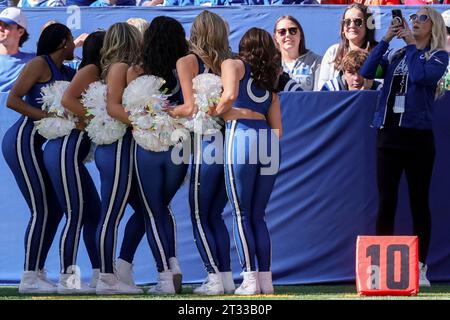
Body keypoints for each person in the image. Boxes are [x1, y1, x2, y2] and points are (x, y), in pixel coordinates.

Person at [360, 6, 448, 287]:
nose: (415, 21)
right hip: (388, 135)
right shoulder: (397, 54)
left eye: (422, 18)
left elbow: (423, 77)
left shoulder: (438, 56)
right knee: (387, 202)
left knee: (418, 202)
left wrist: (410, 43)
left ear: (432, 25)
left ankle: (420, 267)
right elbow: (367, 71)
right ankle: (380, 270)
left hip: (418, 137)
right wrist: (385, 39)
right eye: (412, 17)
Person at [2, 23, 76, 294]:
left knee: (55, 209)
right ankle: (29, 275)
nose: (73, 45)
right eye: (70, 41)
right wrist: (48, 117)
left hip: (36, 144)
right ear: (60, 43)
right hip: (22, 140)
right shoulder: (38, 64)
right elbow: (13, 99)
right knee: (42, 209)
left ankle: (39, 271)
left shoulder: (68, 71)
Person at [166, 10, 235, 295]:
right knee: (215, 214)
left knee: (198, 214)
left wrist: (157, 109)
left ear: (196, 32)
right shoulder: (228, 63)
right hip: (227, 141)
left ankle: (214, 278)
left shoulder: (187, 62)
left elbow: (189, 107)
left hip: (204, 144)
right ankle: (228, 278)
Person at [214, 27, 282, 295]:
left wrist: (212, 112)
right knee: (258, 216)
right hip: (269, 141)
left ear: (243, 45)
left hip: (241, 135)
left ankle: (250, 278)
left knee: (241, 214)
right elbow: (279, 130)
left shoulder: (232, 63)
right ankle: (266, 280)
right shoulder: (270, 80)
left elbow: (228, 96)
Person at [127, 16, 188, 295]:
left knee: (152, 211)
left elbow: (130, 111)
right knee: (162, 207)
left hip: (148, 146)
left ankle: (166, 275)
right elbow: (191, 106)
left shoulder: (137, 70)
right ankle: (171, 263)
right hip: (179, 146)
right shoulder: (186, 66)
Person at [93, 22, 144, 295]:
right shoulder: (119, 67)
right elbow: (114, 107)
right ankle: (107, 278)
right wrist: (144, 122)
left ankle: (121, 269)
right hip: (117, 146)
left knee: (147, 209)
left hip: (121, 146)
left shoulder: (122, 68)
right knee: (111, 214)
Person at [318, 3, 377, 90]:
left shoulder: (378, 53)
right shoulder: (333, 52)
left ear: (368, 26)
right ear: (342, 28)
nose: (352, 26)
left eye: (358, 22)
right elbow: (321, 90)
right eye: (347, 22)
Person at [273, 15, 322, 91]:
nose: (287, 35)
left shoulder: (316, 61)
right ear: (276, 38)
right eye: (282, 32)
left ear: (301, 35)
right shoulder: (271, 63)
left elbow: (318, 94)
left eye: (293, 30)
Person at [0, 7, 34, 92]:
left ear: (20, 32)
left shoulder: (33, 61)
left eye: (6, 25)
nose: (1, 28)